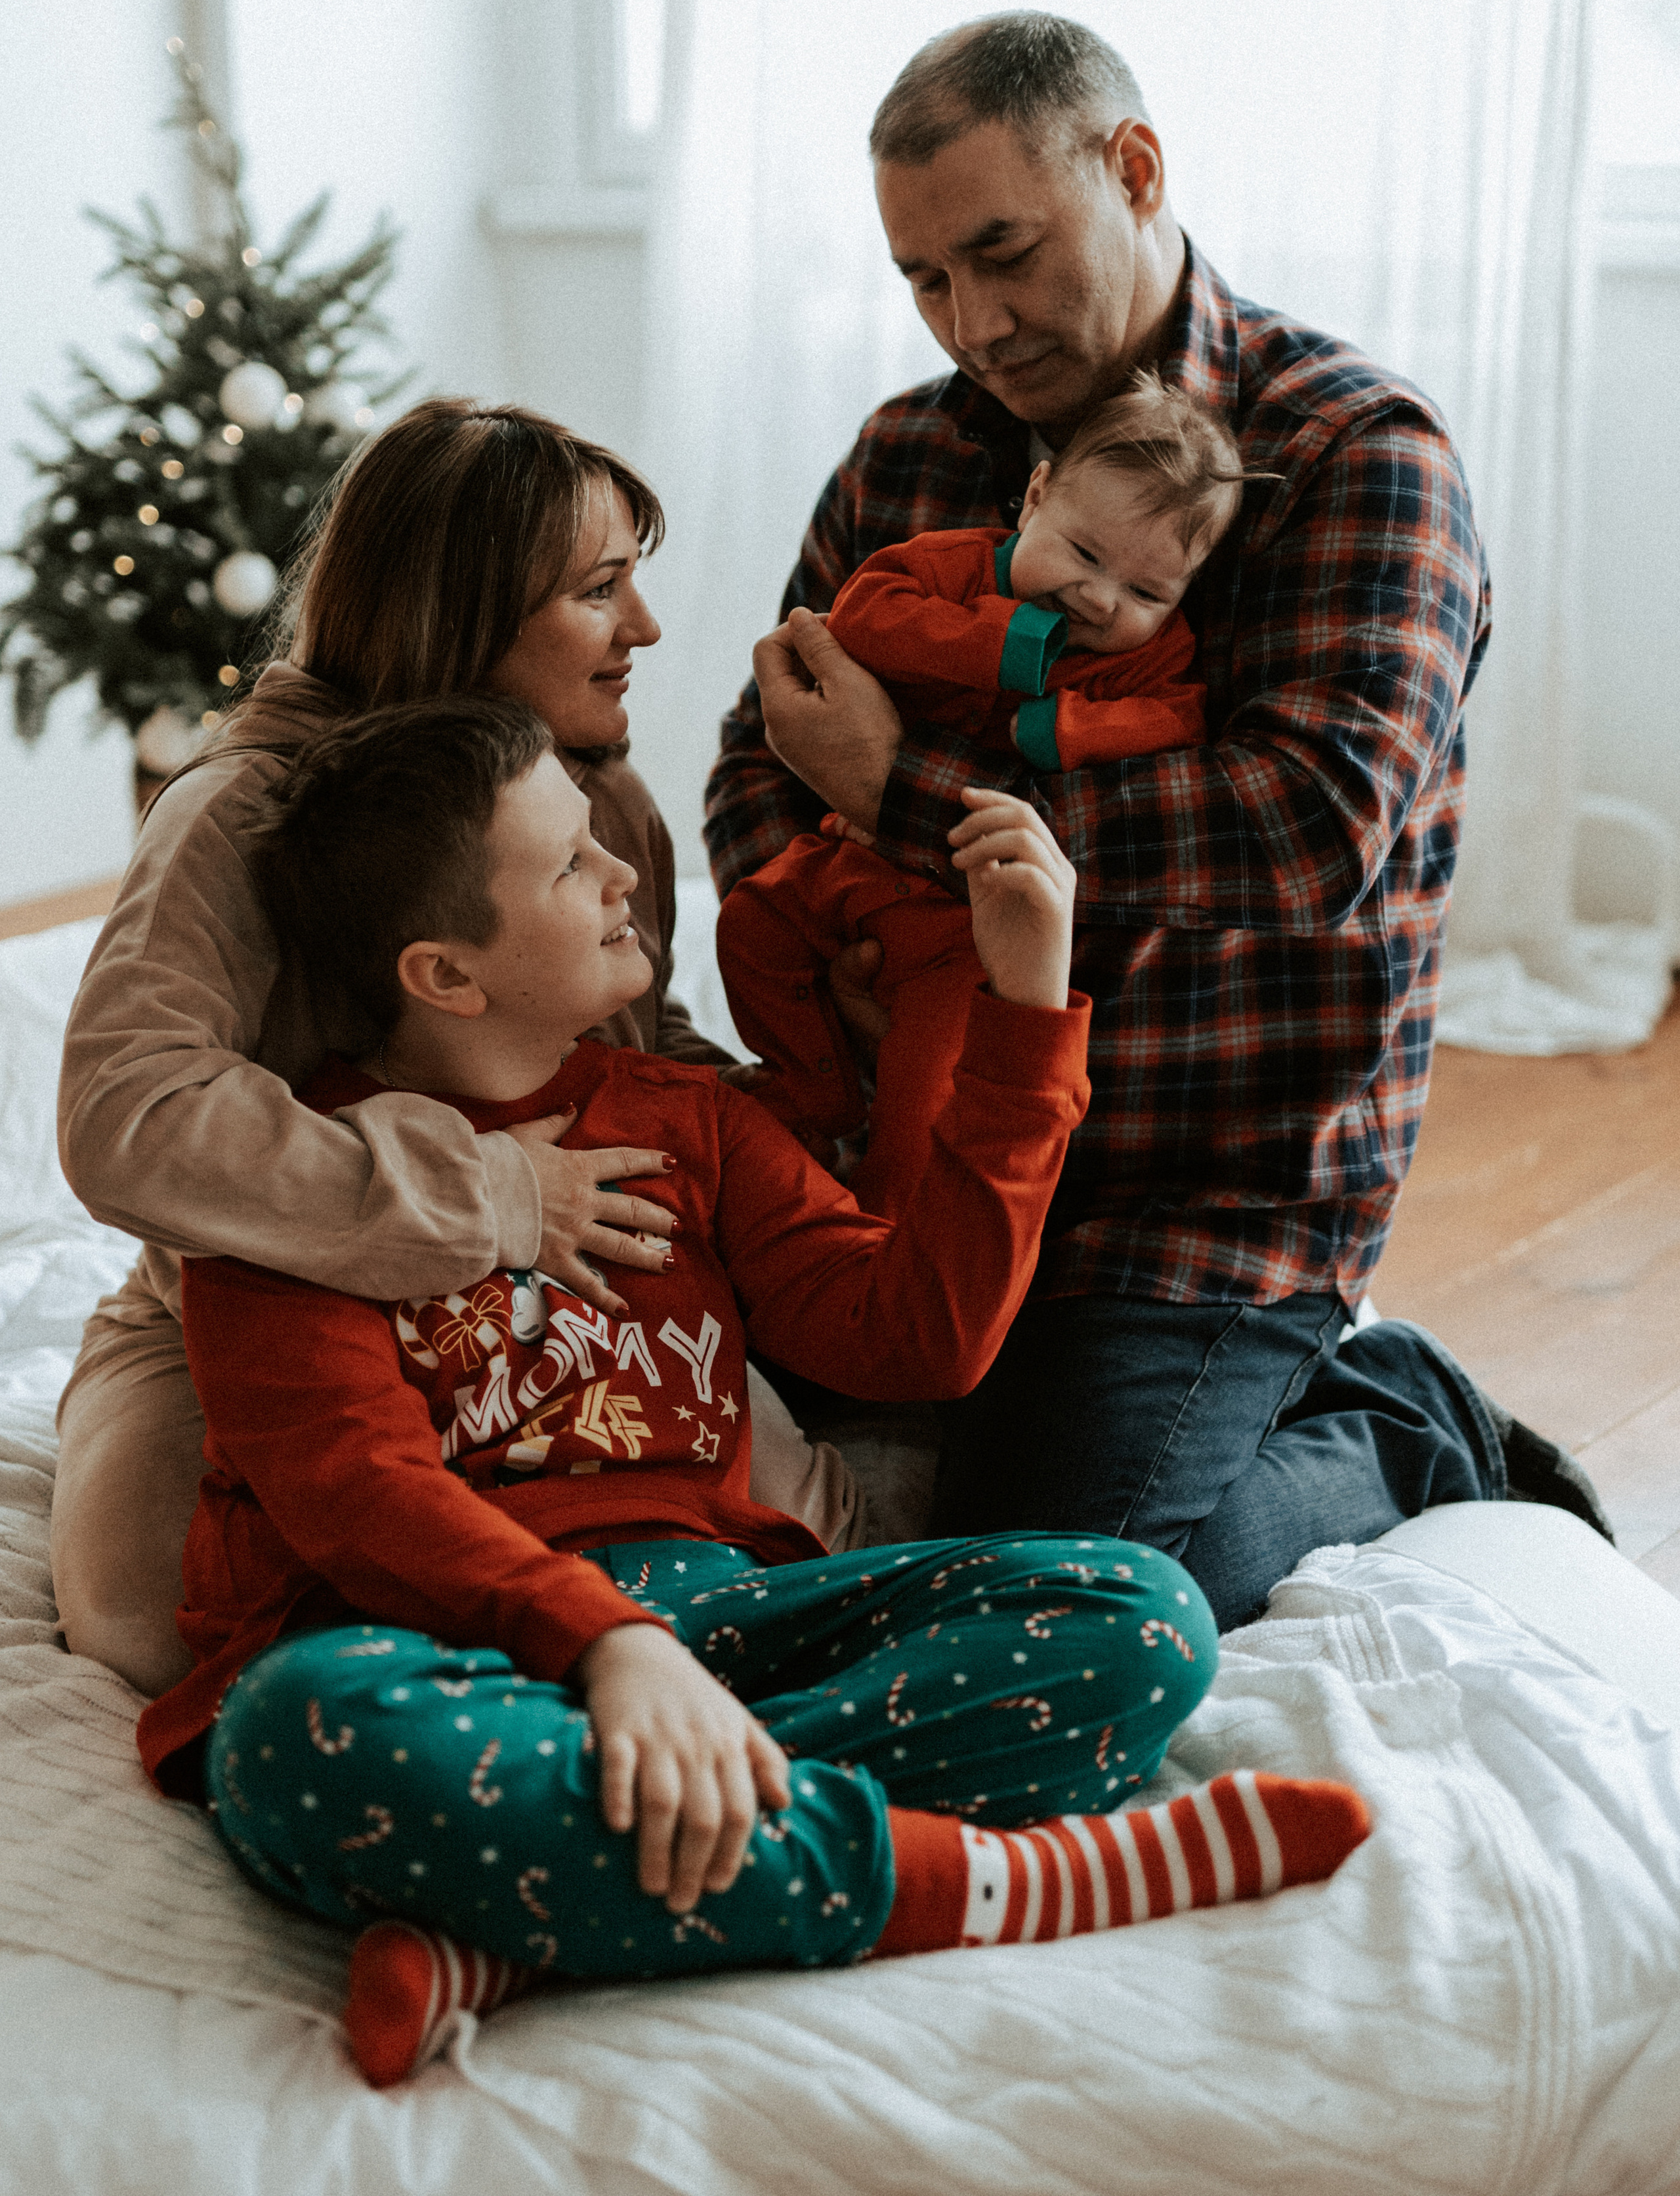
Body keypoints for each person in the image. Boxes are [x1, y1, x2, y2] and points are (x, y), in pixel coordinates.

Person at [136, 693, 1371, 2086]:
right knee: (292, 1738)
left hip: (725, 1616)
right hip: (434, 1643)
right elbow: (363, 1498)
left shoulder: (688, 1123)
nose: (623, 870)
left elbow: (918, 1337)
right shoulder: (296, 1190)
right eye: (568, 863)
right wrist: (608, 1648)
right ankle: (989, 1885)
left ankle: (532, 1915)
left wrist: (1025, 1014)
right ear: (446, 974)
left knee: (1138, 1615)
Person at [706, 11, 1612, 1628]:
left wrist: (900, 799)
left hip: (1196, 1194)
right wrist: (835, 930)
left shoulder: (1349, 454)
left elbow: (1303, 827)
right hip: (925, 1146)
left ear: (1133, 170)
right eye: (924, 278)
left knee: (1065, 1594)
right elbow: (762, 760)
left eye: (1003, 253)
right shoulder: (907, 453)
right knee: (656, 1426)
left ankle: (1406, 1419)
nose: (973, 322)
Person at [53, 398, 863, 1700]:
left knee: (820, 1535)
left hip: (565, 1294)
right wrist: (488, 1193)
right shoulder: (238, 816)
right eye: (599, 591)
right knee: (151, 1630)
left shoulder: (605, 804)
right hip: (272, 1302)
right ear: (457, 615)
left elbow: (639, 1049)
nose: (646, 628)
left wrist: (813, 1096)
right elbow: (128, 1119)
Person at [715, 371, 1239, 1214]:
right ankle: (815, 1098)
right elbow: (861, 616)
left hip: (966, 929)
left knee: (924, 1103)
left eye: (1147, 592)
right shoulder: (954, 566)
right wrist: (1003, 642)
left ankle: (888, 1233)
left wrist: (1066, 727)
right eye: (1083, 554)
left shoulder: (1148, 653)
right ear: (1035, 498)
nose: (1098, 599)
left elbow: (1177, 717)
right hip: (852, 856)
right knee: (749, 925)